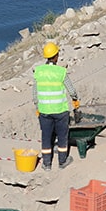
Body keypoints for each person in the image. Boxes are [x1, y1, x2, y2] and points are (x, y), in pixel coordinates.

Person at [33, 42, 79, 170]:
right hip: (60, 111)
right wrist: (75, 99)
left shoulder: (39, 71)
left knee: (46, 137)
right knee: (62, 136)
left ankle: (47, 164)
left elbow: (35, 94)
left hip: (44, 112)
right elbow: (72, 91)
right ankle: (62, 162)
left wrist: (38, 107)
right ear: (56, 56)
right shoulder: (61, 72)